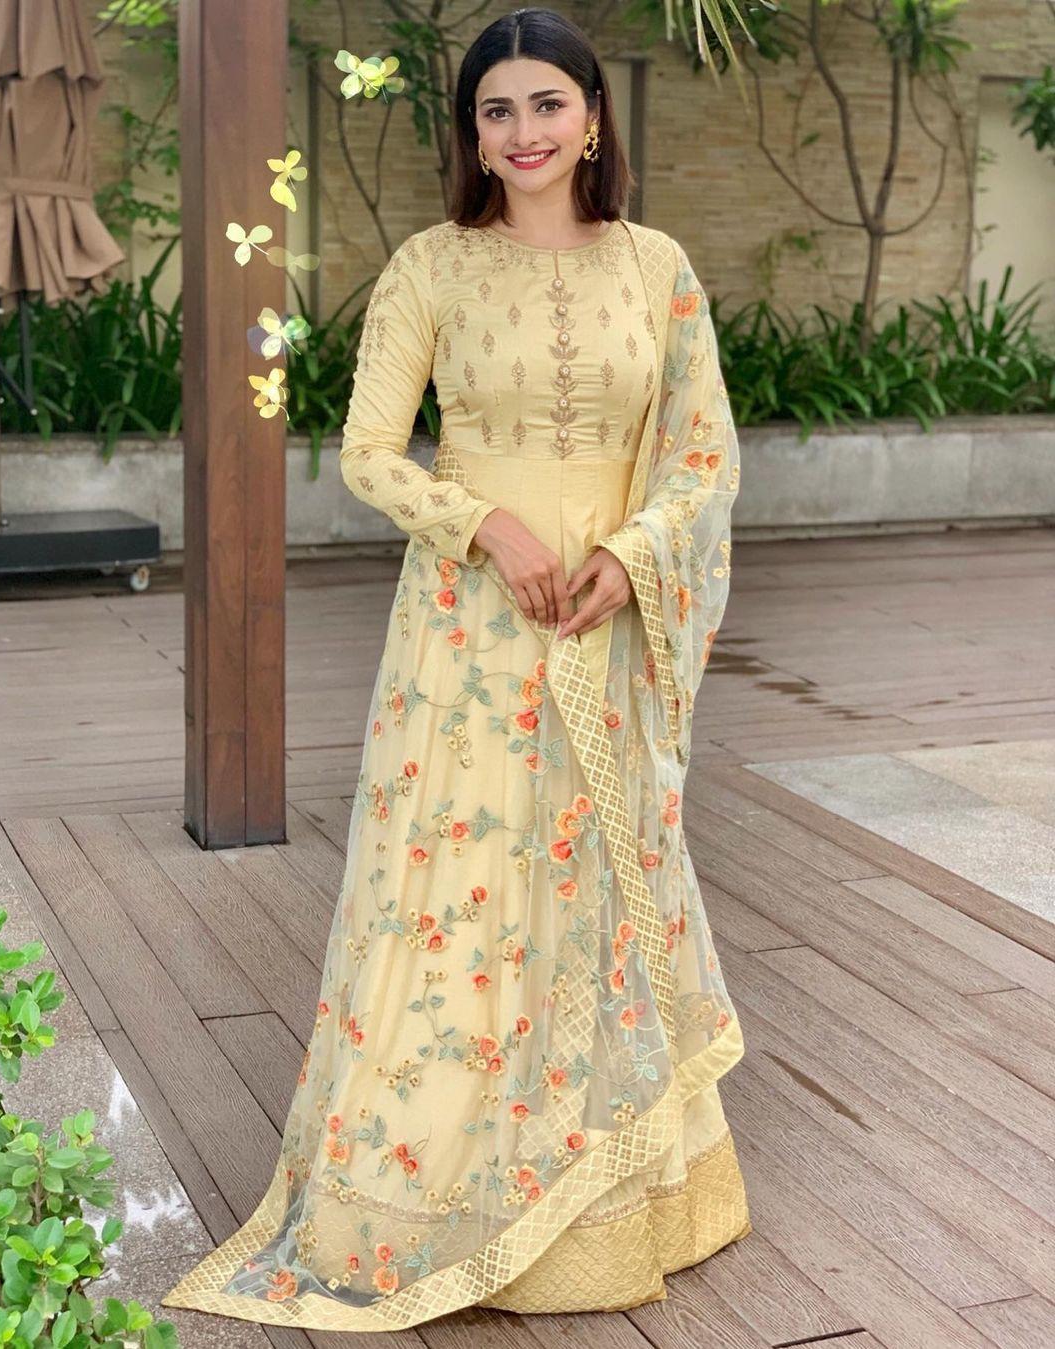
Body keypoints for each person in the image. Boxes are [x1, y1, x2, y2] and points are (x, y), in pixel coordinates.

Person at [161, 5, 749, 1332]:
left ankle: (615, 1193)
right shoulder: (431, 267)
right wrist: (484, 522)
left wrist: (635, 554)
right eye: (498, 111)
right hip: (472, 636)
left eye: (548, 104)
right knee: (466, 890)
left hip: (608, 619)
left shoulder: (659, 267)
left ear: (593, 117)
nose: (525, 131)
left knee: (601, 877)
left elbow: (704, 458)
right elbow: (373, 453)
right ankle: (427, 1192)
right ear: (473, 136)